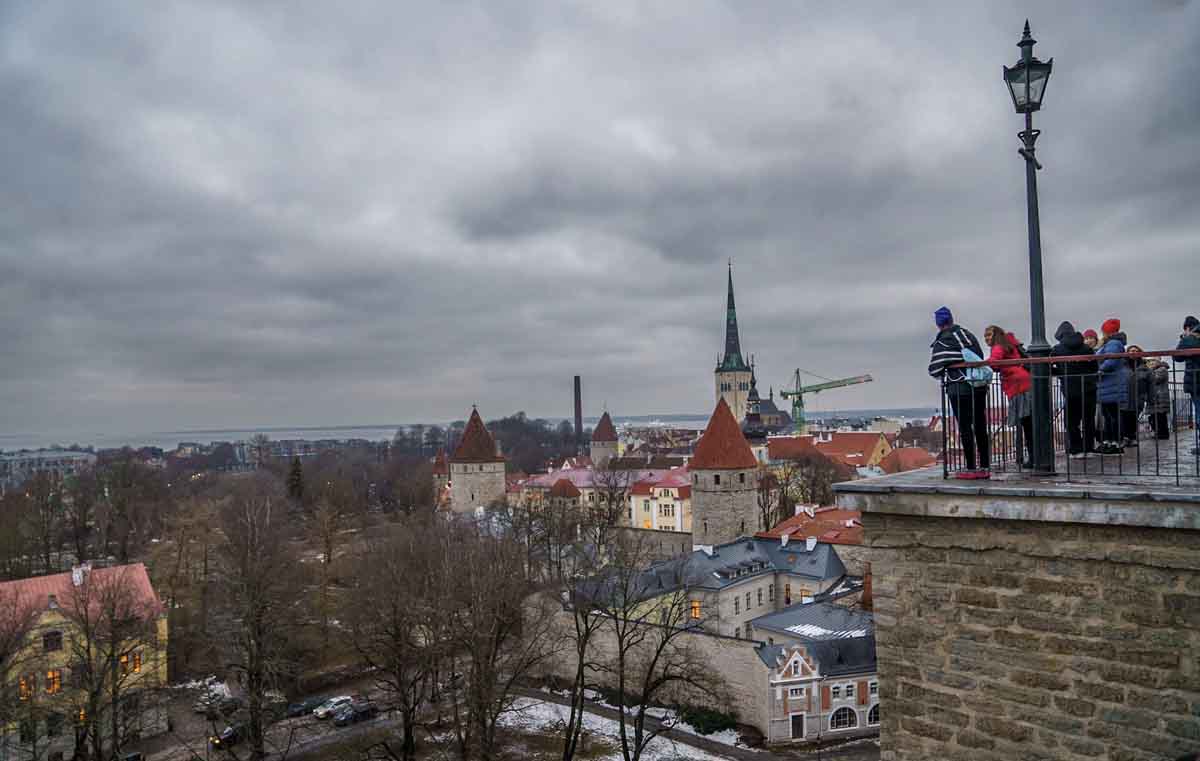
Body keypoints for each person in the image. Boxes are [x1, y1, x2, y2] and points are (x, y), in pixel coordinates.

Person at [928, 307, 990, 479]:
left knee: (964, 427)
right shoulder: (968, 335)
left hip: (959, 388)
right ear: (952, 319)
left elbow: (934, 368)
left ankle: (971, 467)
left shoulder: (944, 341)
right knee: (979, 425)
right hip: (978, 386)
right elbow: (978, 356)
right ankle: (985, 465)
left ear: (938, 324)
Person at [985, 325, 1033, 467]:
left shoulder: (998, 345)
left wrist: (981, 364)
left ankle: (1034, 460)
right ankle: (1035, 457)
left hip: (1018, 386)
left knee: (1027, 423)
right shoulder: (1009, 343)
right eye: (985, 336)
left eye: (989, 335)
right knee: (1030, 424)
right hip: (1025, 382)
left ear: (996, 335)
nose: (987, 338)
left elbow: (994, 362)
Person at [1051, 321, 1098, 458]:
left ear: (1059, 335)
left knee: (1071, 422)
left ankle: (1076, 449)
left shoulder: (1057, 350)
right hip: (1089, 388)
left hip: (1070, 390)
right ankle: (1089, 449)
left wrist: (1060, 372)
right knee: (1088, 420)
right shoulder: (1086, 348)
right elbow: (1094, 367)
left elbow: (1049, 368)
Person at [1096, 319, 1131, 454]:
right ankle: (1110, 442)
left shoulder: (1113, 344)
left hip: (1110, 383)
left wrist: (1100, 370)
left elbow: (1111, 360)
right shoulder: (1112, 344)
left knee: (1112, 415)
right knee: (1109, 414)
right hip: (1108, 385)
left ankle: (1115, 443)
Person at [1176, 316, 1200, 455]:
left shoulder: (1191, 339)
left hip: (1197, 381)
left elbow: (1177, 356)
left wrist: (1185, 338)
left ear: (1187, 328)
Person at [1143, 356, 1171, 440]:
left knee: (1160, 417)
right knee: (1154, 416)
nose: (1151, 363)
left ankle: (1162, 434)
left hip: (1160, 396)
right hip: (1155, 396)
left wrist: (1148, 371)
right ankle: (1158, 433)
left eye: (1153, 361)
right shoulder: (1156, 370)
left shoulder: (1162, 369)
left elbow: (1155, 379)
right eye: (1149, 361)